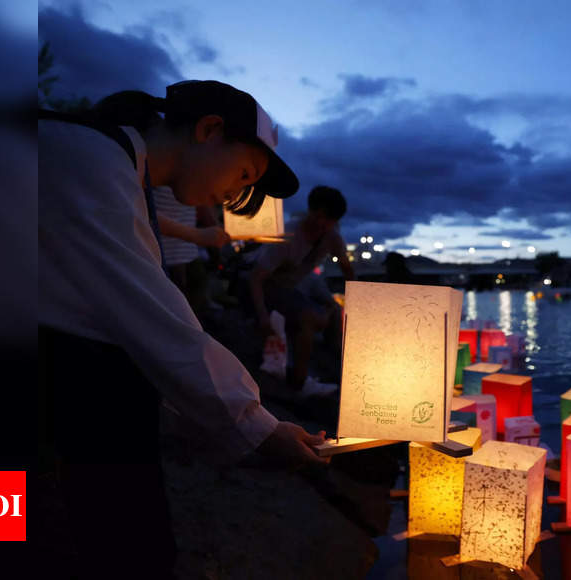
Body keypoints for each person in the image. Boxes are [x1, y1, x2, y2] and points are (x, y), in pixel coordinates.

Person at [39, 81, 327, 579]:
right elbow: (152, 318)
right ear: (209, 130)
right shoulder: (93, 163)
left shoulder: (113, 161)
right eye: (243, 173)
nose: (238, 193)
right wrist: (257, 427)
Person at [247, 186, 354, 396]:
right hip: (270, 289)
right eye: (318, 215)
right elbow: (256, 278)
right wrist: (262, 317)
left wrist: (362, 304)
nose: (321, 223)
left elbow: (348, 271)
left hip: (292, 290)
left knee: (332, 310)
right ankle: (299, 382)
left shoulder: (332, 238)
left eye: (328, 220)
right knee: (309, 318)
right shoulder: (288, 236)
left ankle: (337, 370)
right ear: (310, 210)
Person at [153, 186, 230, 312]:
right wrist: (200, 234)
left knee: (191, 302)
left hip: (187, 253)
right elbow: (145, 213)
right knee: (177, 309)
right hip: (163, 256)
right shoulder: (150, 173)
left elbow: (203, 208)